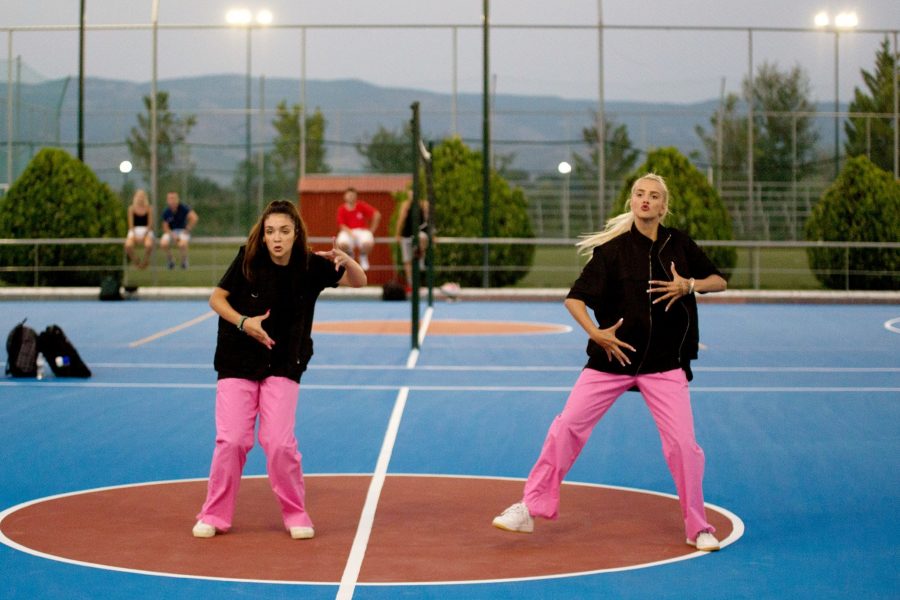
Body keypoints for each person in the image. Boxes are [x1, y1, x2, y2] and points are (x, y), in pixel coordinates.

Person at [492, 173, 728, 552]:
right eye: (639, 194)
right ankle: (529, 507)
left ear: (664, 207)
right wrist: (596, 333)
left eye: (654, 196)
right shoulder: (612, 251)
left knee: (684, 446)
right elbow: (574, 299)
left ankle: (697, 527)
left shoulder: (680, 244)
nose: (646, 200)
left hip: (664, 363)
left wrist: (689, 285)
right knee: (566, 428)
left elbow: (719, 280)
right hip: (611, 360)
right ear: (631, 202)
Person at [192, 199, 367, 540]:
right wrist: (244, 323)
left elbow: (359, 281)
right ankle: (214, 513)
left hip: (284, 363)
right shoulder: (247, 259)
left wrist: (347, 260)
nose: (277, 238)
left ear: (296, 233)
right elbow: (216, 299)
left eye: (284, 231)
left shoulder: (311, 266)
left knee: (279, 444)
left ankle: (296, 513)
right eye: (271, 231)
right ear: (263, 234)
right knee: (232, 440)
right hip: (237, 359)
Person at [336, 186, 380, 271]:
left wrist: (372, 231)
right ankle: (350, 254)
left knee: (368, 242)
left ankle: (363, 255)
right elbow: (341, 225)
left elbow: (377, 214)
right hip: (347, 231)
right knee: (341, 243)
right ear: (345, 196)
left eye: (353, 195)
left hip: (362, 231)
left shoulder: (361, 205)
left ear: (356, 196)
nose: (351, 197)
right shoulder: (341, 209)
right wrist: (351, 233)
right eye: (349, 195)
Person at [394, 196, 429, 292]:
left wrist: (432, 235)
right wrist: (397, 234)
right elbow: (401, 219)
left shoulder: (423, 204)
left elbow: (428, 220)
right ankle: (411, 283)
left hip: (419, 233)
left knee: (422, 238)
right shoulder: (406, 205)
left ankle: (421, 258)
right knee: (407, 260)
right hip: (406, 235)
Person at [160, 191, 199, 269]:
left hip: (182, 231)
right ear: (167, 200)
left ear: (177, 199)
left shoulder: (183, 208)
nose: (172, 201)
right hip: (171, 232)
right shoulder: (166, 212)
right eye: (170, 199)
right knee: (163, 243)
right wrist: (172, 235)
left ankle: (184, 261)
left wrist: (188, 229)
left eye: (174, 198)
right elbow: (165, 227)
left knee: (182, 244)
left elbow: (194, 218)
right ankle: (171, 260)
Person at [124, 189, 155, 269]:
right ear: (135, 197)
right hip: (134, 231)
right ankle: (135, 260)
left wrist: (144, 236)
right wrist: (135, 236)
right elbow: (131, 224)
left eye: (142, 196)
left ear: (145, 197)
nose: (140, 198)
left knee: (149, 245)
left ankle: (145, 260)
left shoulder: (149, 208)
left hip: (146, 231)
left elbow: (150, 224)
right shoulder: (131, 208)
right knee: (128, 245)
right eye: (138, 196)